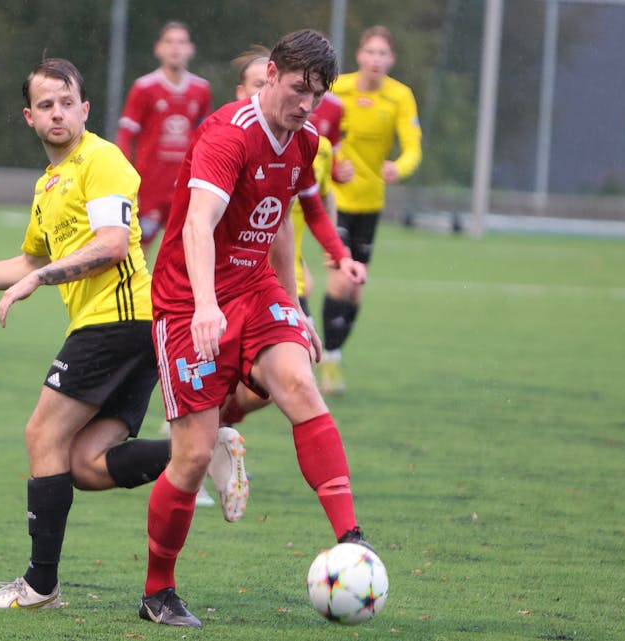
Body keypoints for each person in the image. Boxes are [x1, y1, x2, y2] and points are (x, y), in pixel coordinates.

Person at [0, 58, 245, 611]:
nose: (57, 113)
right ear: (29, 117)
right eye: (45, 105)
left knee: (42, 434)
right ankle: (202, 452)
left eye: (66, 103)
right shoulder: (47, 185)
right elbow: (28, 261)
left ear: (84, 109)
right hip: (125, 329)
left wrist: (38, 279)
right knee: (83, 463)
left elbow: (111, 244)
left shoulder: (101, 159)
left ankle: (40, 585)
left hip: (119, 320)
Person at [138, 30, 371, 628]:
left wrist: (294, 305)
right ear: (270, 74)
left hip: (254, 287)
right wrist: (206, 306)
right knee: (191, 457)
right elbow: (198, 226)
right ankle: (158, 590)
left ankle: (353, 539)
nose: (306, 105)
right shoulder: (228, 134)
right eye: (297, 89)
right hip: (187, 298)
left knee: (298, 383)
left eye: (317, 95)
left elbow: (282, 221)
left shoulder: (306, 141)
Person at [218, 48, 365, 427]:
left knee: (278, 382)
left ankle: (218, 425)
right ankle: (202, 431)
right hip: (227, 284)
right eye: (254, 86)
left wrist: (341, 255)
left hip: (282, 282)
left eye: (312, 94)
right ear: (244, 92)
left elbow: (313, 207)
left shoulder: (309, 143)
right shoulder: (227, 142)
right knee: (245, 377)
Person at [319, 25, 422, 395]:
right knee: (342, 278)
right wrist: (333, 166)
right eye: (370, 52)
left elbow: (413, 147)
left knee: (356, 288)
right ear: (359, 55)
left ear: (391, 59)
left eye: (383, 53)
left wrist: (399, 167)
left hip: (371, 201)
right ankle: (329, 360)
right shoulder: (337, 89)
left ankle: (332, 353)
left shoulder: (399, 96)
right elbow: (317, 133)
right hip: (338, 200)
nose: (376, 59)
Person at [116, 20, 213, 254]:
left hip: (185, 184)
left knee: (188, 248)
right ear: (158, 48)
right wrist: (123, 176)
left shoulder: (201, 89)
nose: (175, 48)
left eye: (181, 42)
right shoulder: (144, 88)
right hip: (149, 187)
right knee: (137, 249)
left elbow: (206, 137)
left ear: (191, 49)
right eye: (169, 42)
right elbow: (126, 136)